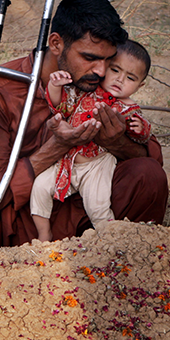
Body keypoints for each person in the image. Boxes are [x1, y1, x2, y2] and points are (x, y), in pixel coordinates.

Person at [0, 0, 168, 268]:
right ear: (56, 43)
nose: (101, 71)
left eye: (108, 61)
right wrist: (57, 147)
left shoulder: (98, 85)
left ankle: (114, 268)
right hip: (27, 229)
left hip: (91, 210)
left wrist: (117, 143)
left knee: (148, 175)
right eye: (89, 57)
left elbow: (153, 159)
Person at [31, 40, 152, 242]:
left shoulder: (129, 108)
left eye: (130, 78)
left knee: (98, 203)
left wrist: (139, 129)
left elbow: (143, 133)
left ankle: (108, 238)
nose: (120, 80)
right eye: (115, 70)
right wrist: (54, 85)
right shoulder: (85, 92)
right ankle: (44, 233)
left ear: (140, 85)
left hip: (97, 163)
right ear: (105, 68)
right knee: (40, 187)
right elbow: (61, 105)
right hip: (67, 159)